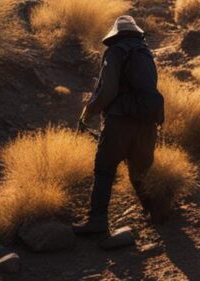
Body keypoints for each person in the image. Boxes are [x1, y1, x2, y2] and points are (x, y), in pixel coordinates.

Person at [74, 16, 164, 235]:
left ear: (115, 34)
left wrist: (89, 112)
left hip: (120, 121)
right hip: (147, 122)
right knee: (140, 170)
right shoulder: (145, 53)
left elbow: (108, 90)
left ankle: (97, 222)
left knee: (104, 169)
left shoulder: (115, 52)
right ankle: (157, 211)